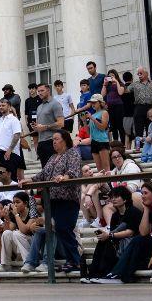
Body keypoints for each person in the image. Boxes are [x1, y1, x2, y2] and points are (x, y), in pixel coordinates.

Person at [27, 129, 83, 272]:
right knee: (60, 229)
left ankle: (75, 260)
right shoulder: (52, 157)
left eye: (56, 139)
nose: (54, 142)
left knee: (65, 228)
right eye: (53, 139)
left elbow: (73, 171)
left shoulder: (72, 153)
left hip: (68, 198)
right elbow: (43, 174)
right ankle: (72, 260)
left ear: (65, 140)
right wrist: (29, 180)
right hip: (53, 199)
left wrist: (64, 177)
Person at [78, 185, 142, 282]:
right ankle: (93, 274)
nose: (113, 199)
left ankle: (103, 272)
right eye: (112, 197)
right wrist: (107, 235)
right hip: (118, 241)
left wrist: (110, 235)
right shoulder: (115, 215)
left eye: (117, 197)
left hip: (130, 244)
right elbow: (113, 231)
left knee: (107, 241)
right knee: (102, 241)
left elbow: (130, 232)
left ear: (125, 199)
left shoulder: (133, 212)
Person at [29, 83, 64, 167]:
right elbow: (40, 126)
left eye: (42, 90)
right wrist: (36, 127)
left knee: (54, 169)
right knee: (45, 171)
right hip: (41, 142)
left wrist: (45, 127)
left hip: (52, 141)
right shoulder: (39, 107)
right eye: (38, 91)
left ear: (48, 90)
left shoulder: (55, 104)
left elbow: (61, 123)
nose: (40, 93)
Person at [84, 97, 112, 173]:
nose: (92, 104)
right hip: (94, 141)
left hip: (102, 141)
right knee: (99, 169)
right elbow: (88, 132)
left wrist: (92, 118)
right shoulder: (93, 115)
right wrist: (84, 121)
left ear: (100, 103)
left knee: (106, 167)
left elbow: (103, 127)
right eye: (91, 103)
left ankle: (109, 183)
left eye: (94, 102)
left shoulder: (104, 112)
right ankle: (102, 184)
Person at [128, 68, 152, 139]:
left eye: (140, 73)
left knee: (150, 128)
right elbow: (125, 90)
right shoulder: (134, 84)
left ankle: (150, 145)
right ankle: (139, 147)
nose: (139, 75)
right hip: (139, 107)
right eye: (138, 74)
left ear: (146, 73)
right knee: (138, 129)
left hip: (151, 107)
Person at [103, 69, 127, 145]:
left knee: (120, 125)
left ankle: (122, 144)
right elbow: (102, 94)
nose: (111, 77)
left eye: (112, 75)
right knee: (113, 127)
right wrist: (104, 84)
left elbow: (120, 92)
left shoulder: (120, 83)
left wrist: (116, 81)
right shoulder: (108, 85)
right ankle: (116, 143)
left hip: (118, 106)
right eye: (109, 76)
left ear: (116, 76)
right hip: (110, 107)